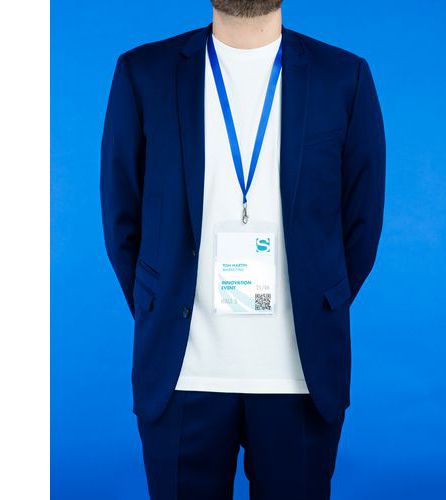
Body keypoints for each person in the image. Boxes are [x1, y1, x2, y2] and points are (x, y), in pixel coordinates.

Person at [100, 0, 385, 498]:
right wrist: (158, 305)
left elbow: (361, 224)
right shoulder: (142, 73)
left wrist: (319, 302)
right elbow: (121, 215)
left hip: (299, 377)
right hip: (181, 374)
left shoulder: (345, 77)